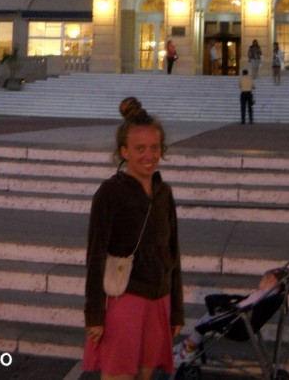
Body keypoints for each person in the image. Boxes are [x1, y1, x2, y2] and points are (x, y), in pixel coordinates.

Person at [83, 97, 184, 380]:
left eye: (154, 148)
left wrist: (176, 310)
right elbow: (95, 256)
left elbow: (173, 254)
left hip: (158, 299)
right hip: (124, 299)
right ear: (124, 151)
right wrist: (94, 314)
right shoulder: (110, 193)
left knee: (145, 375)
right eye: (140, 149)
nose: (149, 156)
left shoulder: (164, 193)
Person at [173, 268, 286, 367]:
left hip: (237, 324)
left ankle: (189, 351)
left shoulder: (261, 295)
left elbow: (244, 306)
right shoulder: (271, 296)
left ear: (270, 281)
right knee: (207, 318)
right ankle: (186, 345)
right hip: (242, 320)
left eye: (263, 279)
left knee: (202, 326)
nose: (260, 282)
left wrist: (229, 306)